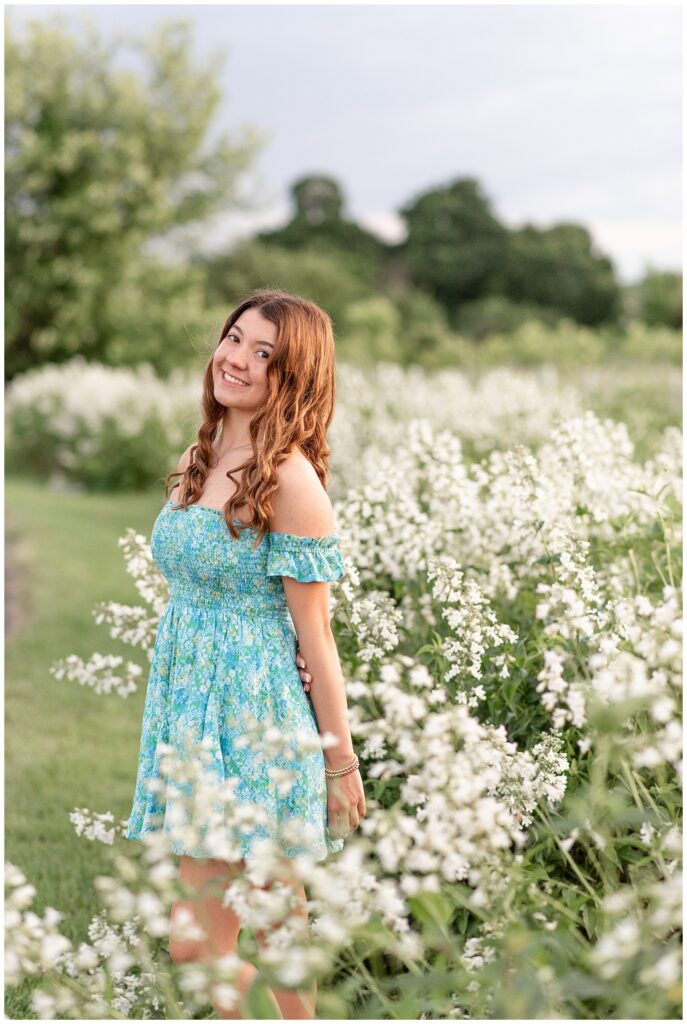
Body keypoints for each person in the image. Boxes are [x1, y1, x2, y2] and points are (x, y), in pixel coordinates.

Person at [124, 288, 365, 1018]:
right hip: (193, 714)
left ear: (291, 378)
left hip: (258, 720)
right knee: (205, 943)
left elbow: (314, 636)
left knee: (265, 934)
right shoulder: (200, 454)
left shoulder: (291, 480)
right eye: (234, 339)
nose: (237, 359)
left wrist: (340, 762)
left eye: (264, 354)